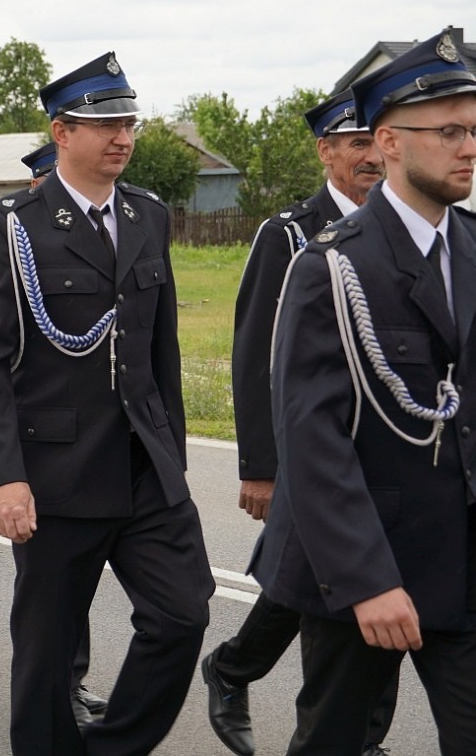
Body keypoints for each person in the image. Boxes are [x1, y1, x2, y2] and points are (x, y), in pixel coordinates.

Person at [0, 53, 213, 756]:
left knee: (183, 614)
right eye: (104, 124)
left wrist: (173, 455)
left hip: (143, 469)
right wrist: (4, 474)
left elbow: (162, 350)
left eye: (128, 121)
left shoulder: (147, 214)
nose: (121, 136)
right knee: (47, 651)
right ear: (61, 131)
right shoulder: (13, 225)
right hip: (56, 473)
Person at [253, 29, 476, 755]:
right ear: (388, 142)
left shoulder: (472, 248)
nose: (468, 146)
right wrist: (365, 580)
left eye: (474, 129)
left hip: (463, 561)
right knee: (334, 742)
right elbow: (310, 440)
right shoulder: (333, 268)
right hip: (366, 570)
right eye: (448, 131)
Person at [201, 89, 394, 756]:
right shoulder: (289, 233)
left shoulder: (404, 227)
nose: (371, 157)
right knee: (326, 586)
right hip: (313, 448)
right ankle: (338, 727)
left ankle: (245, 675)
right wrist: (259, 466)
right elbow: (256, 353)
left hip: (389, 450)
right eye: (356, 144)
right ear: (326, 152)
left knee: (363, 582)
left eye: (378, 142)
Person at [17, 140, 110, 728]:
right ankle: (50, 696)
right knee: (49, 590)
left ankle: (68, 684)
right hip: (39, 442)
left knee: (76, 586)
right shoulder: (16, 239)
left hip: (98, 439)